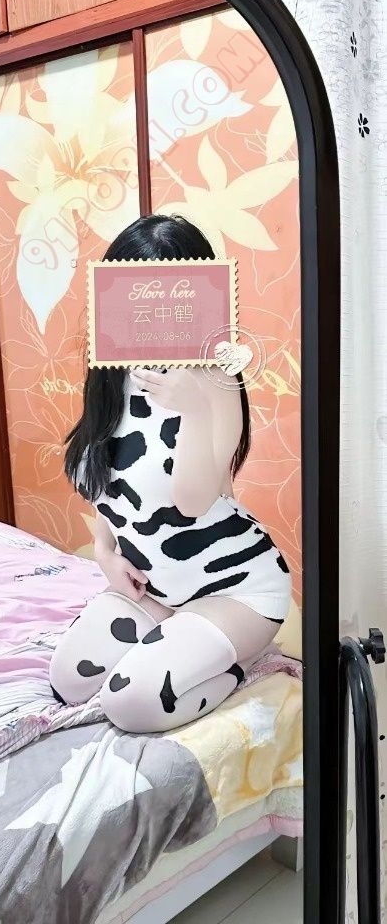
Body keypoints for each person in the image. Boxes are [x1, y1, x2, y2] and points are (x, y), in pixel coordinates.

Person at [51, 215, 291, 733]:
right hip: (158, 588)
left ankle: (243, 661)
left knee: (130, 703)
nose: (155, 315)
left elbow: (191, 502)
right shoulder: (111, 378)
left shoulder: (217, 382)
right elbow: (107, 483)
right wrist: (105, 553)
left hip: (234, 589)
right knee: (71, 680)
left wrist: (194, 410)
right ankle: (181, 638)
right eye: (138, 296)